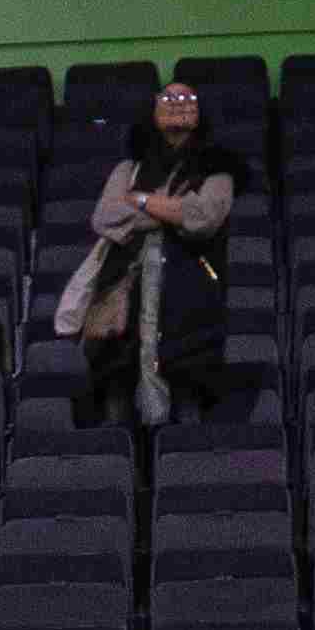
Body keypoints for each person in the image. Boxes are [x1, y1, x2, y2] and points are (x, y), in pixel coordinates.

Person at [60, 75, 246, 433]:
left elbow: (202, 217)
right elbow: (106, 216)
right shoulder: (127, 169)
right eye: (169, 97)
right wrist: (172, 211)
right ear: (152, 110)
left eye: (188, 96)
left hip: (189, 303)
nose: (178, 102)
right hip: (123, 305)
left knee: (188, 409)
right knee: (117, 407)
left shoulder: (220, 171)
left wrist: (142, 201)